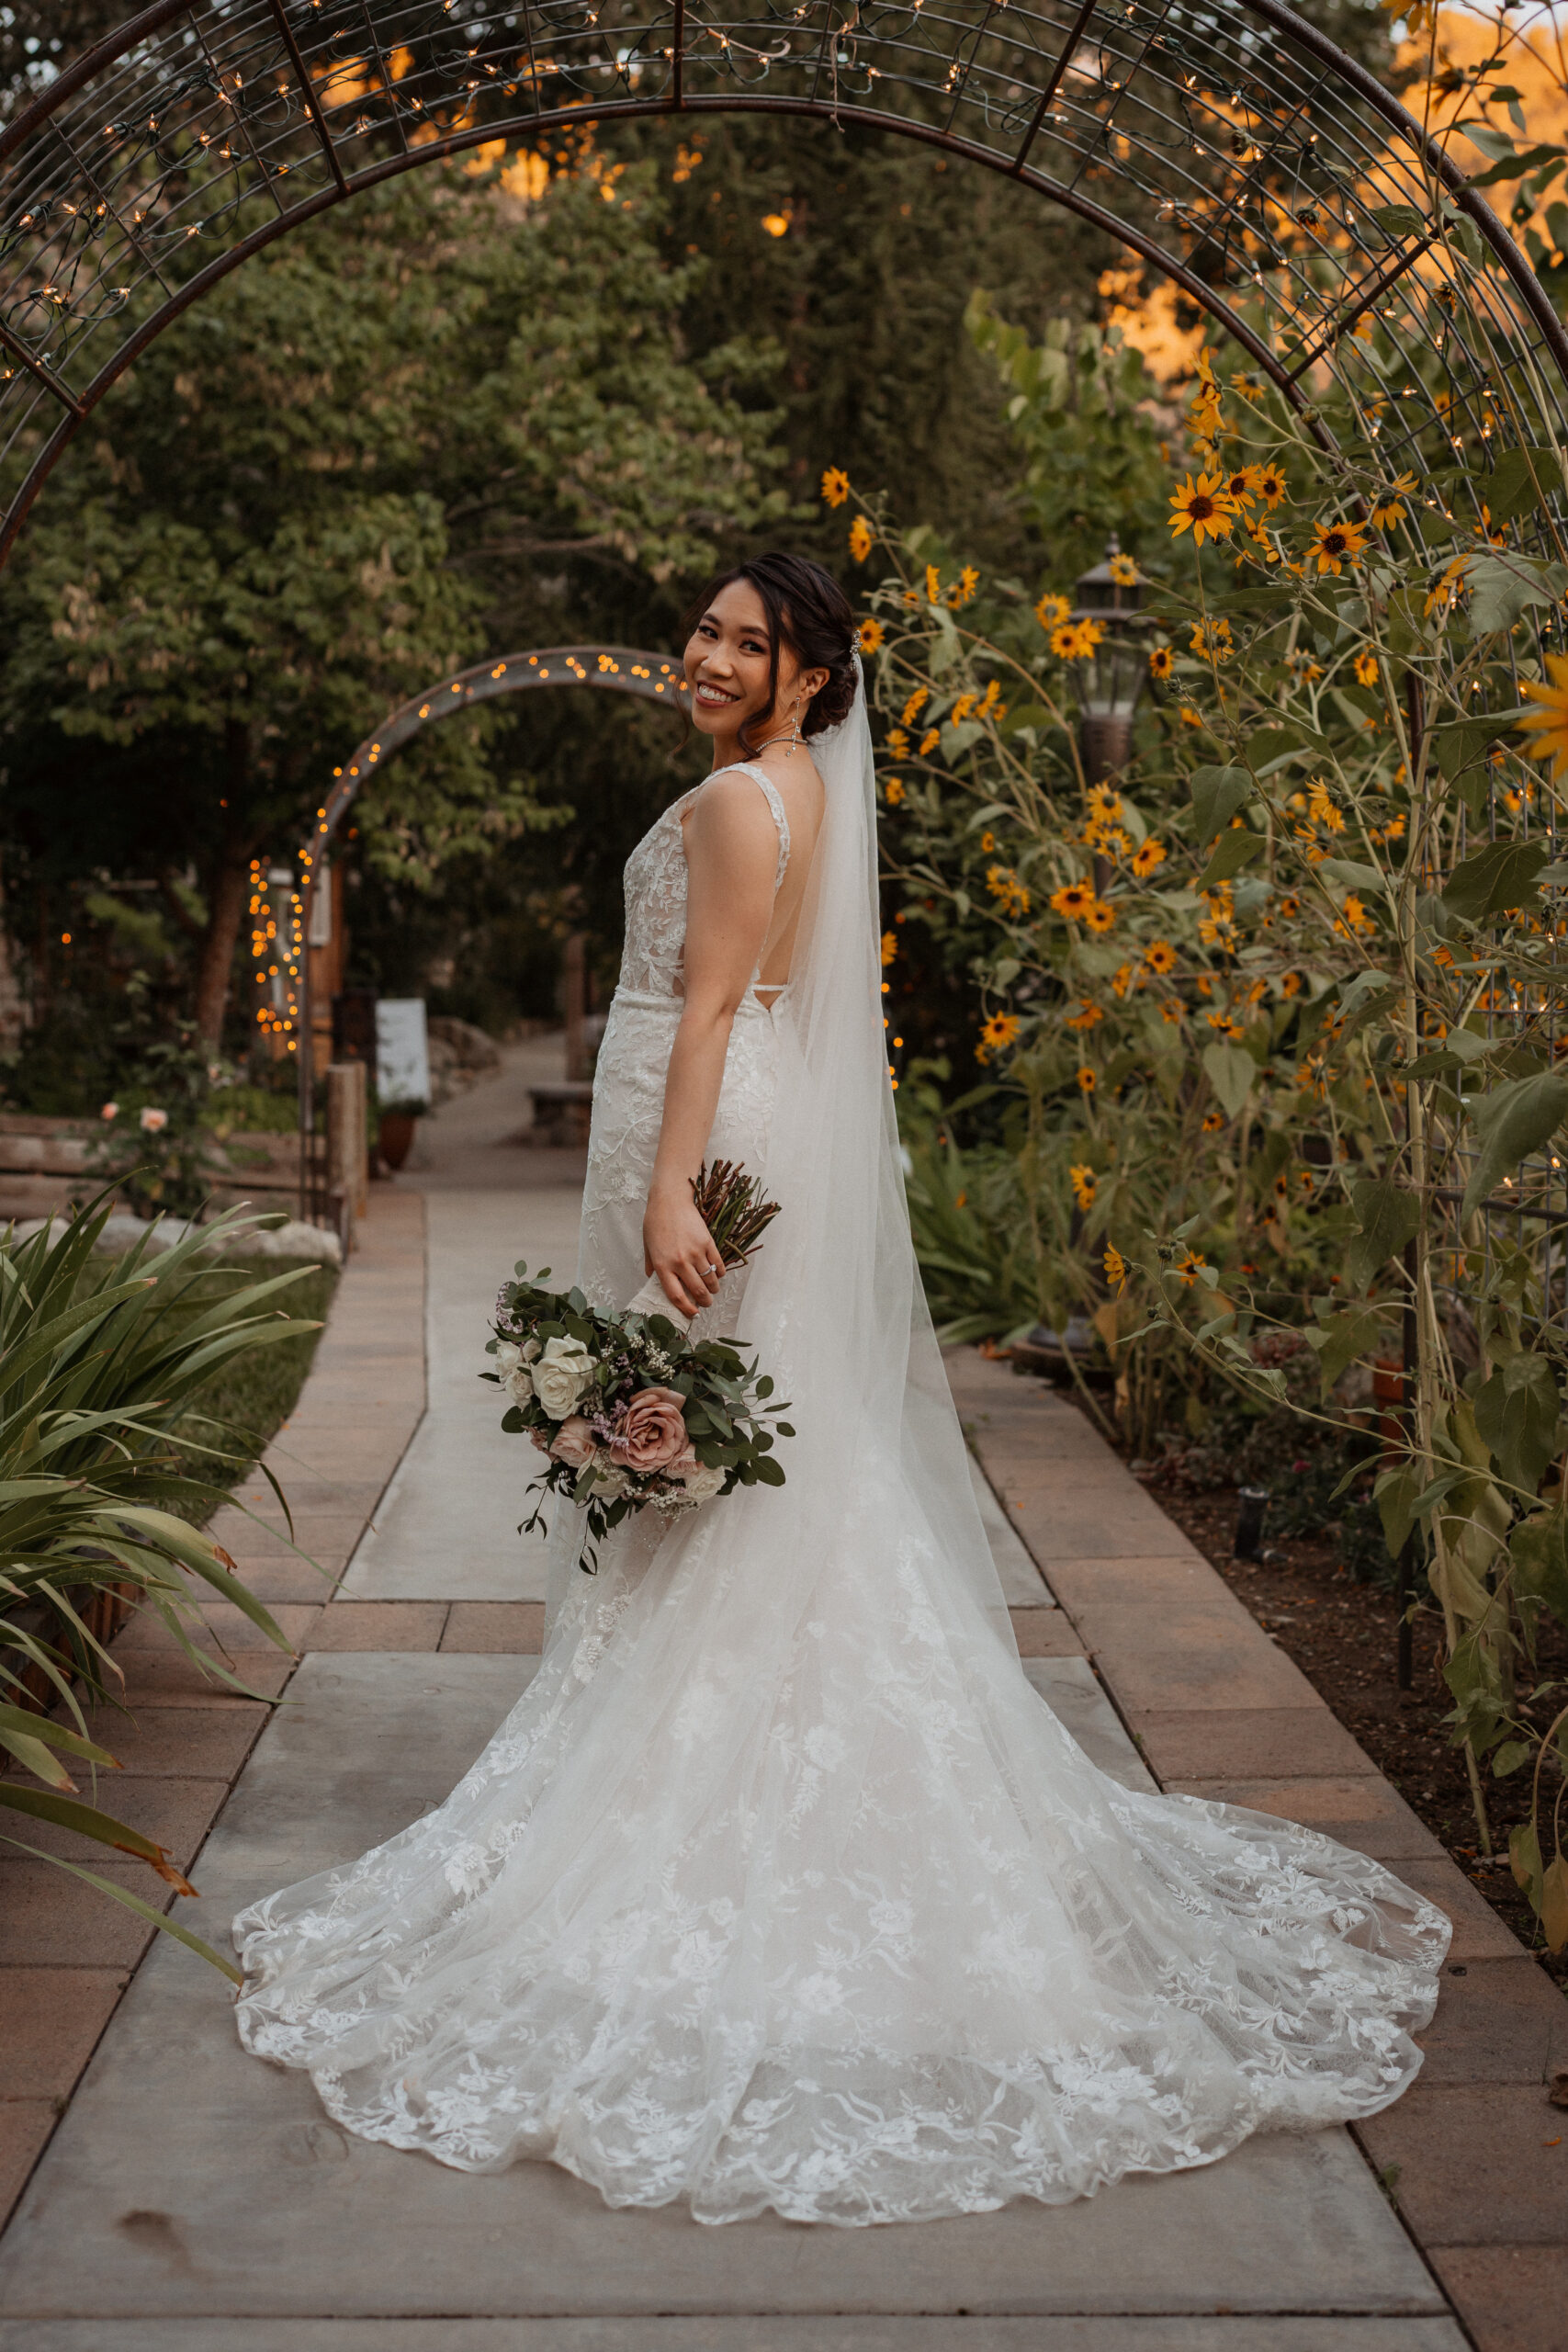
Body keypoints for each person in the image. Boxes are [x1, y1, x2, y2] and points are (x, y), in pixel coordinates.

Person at [234, 553, 1448, 2226]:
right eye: (709, 630)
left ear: (809, 675)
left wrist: (669, 1189)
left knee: (689, 1446)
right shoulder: (800, 787)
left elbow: (719, 1002)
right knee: (741, 1465)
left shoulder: (745, 799)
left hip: (698, 1120)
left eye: (753, 642)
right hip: (738, 1111)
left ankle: (670, 1775)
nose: (713, 656)